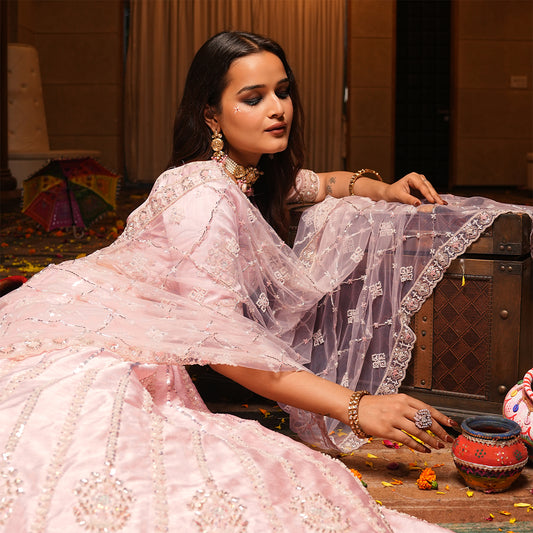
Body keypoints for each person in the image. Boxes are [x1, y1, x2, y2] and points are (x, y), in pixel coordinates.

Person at [0, 31, 531, 532]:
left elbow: (323, 184)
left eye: (283, 91)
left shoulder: (251, 174)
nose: (277, 109)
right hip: (91, 337)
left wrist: (384, 189)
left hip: (115, 322)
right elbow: (224, 347)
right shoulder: (205, 195)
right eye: (253, 98)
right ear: (211, 114)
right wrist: (357, 405)